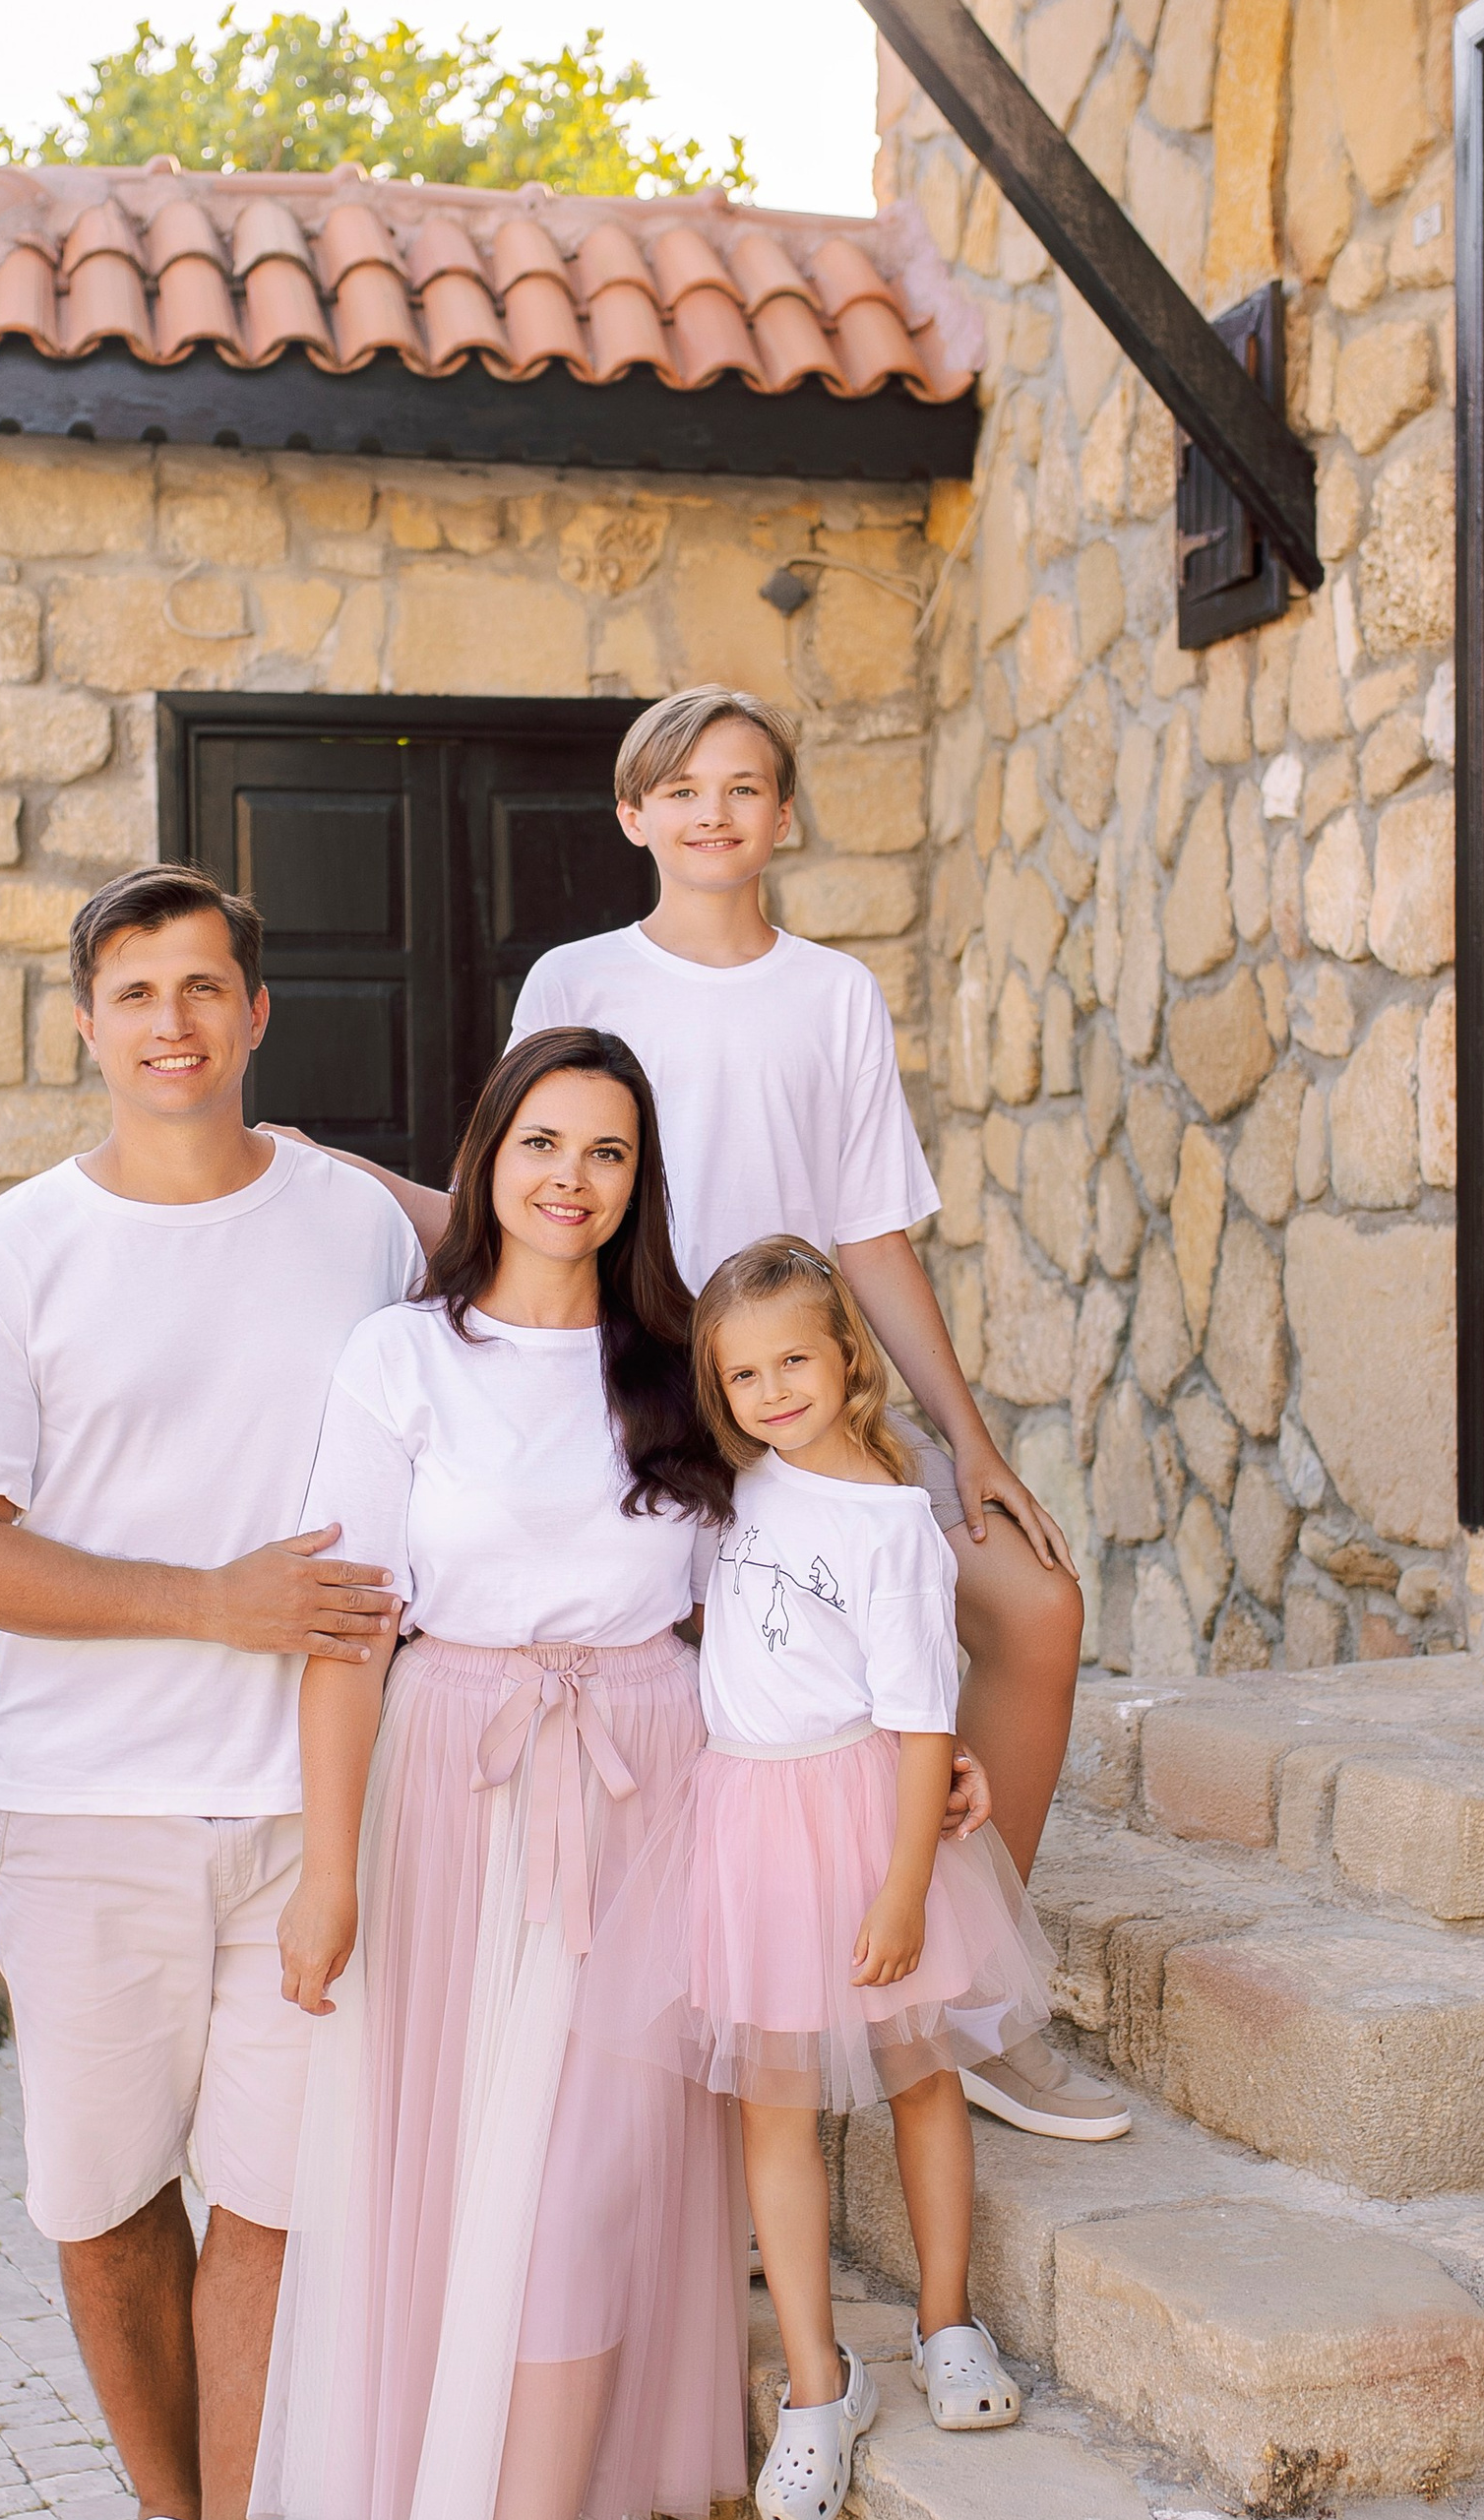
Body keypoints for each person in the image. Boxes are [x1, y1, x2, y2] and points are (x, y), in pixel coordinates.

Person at [358, 685, 1122, 2141]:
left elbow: (875, 1230)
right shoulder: (577, 976)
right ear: (634, 814)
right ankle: (738, 2075)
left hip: (807, 1410)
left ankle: (968, 2004)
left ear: (783, 815)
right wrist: (343, 1176)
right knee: (741, 1715)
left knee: (1034, 1611)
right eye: (683, 785)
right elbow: (529, 1190)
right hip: (650, 1407)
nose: (715, 809)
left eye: (747, 784)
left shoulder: (831, 991)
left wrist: (967, 1438)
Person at [0, 864, 419, 2520]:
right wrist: (217, 1603)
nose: (172, 1022)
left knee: (272, 2206)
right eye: (136, 993)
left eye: (203, 988)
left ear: (257, 1015)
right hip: (83, 1806)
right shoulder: (13, 1256)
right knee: (109, 2201)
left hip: (311, 1814)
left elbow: (559, 1277)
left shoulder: (366, 1218)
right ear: (87, 1026)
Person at [256, 1028, 746, 2520]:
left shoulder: (681, 1368)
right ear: (488, 1156)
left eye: (607, 1152)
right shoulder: (405, 1356)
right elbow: (347, 1635)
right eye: (544, 1142)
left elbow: (767, 1594)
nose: (571, 1178)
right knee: (469, 2181)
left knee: (591, 2182)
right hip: (454, 1786)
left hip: (652, 1784)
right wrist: (328, 1873)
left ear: (639, 1180)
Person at [585, 1234, 1054, 2518]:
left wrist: (905, 1885)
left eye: (794, 1357)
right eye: (742, 1374)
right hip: (742, 1825)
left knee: (918, 2077)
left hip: (866, 1821)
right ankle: (814, 2383)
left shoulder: (894, 1522)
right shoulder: (735, 1493)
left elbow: (915, 1719)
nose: (772, 1389)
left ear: (848, 1357)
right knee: (774, 2111)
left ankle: (949, 2323)